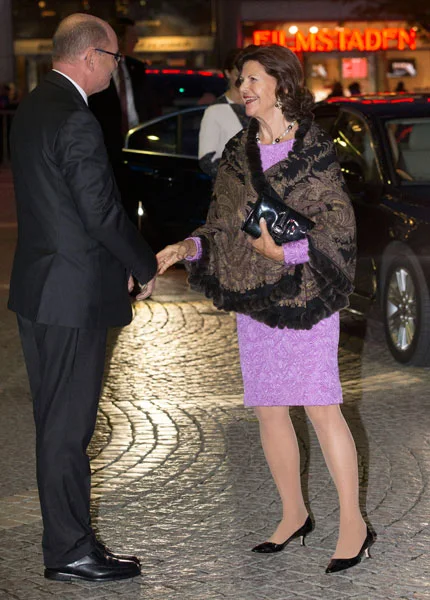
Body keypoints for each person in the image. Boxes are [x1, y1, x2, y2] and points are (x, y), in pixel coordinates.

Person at [157, 44, 375, 574]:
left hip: (305, 296)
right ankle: (294, 513)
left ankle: (354, 524)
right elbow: (221, 226)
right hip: (255, 301)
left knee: (321, 406)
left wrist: (287, 251)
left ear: (280, 82)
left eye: (252, 79)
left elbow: (339, 226)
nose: (242, 89)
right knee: (269, 407)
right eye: (239, 81)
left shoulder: (314, 146)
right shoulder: (238, 150)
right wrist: (187, 248)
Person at [9, 13, 157, 582]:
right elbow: (99, 211)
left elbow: (61, 210)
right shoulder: (75, 118)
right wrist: (140, 264)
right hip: (71, 299)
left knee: (56, 427)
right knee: (68, 431)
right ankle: (70, 550)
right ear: (92, 56)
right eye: (116, 59)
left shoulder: (32, 107)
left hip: (41, 290)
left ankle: (70, 539)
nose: (118, 70)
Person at [89, 17, 154, 222]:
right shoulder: (98, 72)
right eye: (133, 37)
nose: (137, 41)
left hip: (137, 146)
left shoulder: (137, 68)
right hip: (109, 150)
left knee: (136, 207)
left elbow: (148, 106)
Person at [198, 48, 250, 178]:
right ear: (227, 73)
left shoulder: (259, 106)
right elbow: (206, 160)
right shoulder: (215, 111)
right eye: (239, 73)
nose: (243, 79)